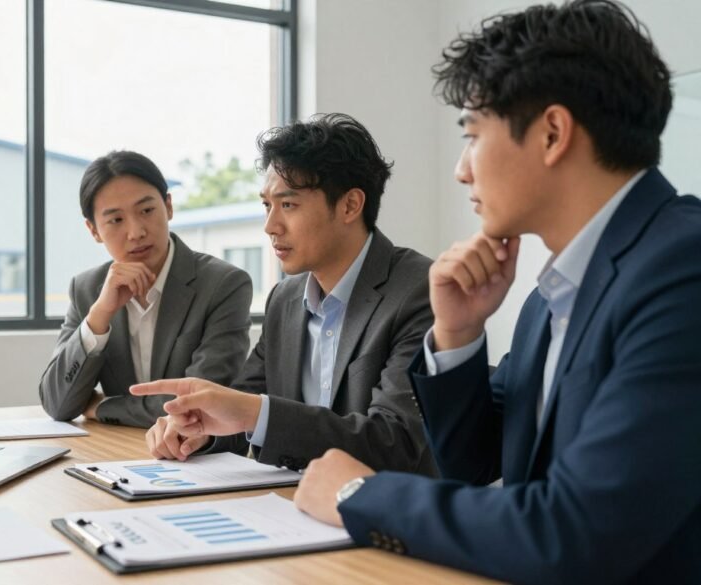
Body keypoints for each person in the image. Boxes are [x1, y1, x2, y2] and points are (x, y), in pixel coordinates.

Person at [290, 2, 701, 583]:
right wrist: (458, 334)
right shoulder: (553, 293)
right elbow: (474, 464)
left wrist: (361, 494)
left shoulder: (683, 271)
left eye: (472, 134)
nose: (461, 169)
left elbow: (578, 533)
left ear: (553, 133)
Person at [133, 114, 437, 476]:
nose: (270, 226)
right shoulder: (285, 299)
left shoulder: (419, 290)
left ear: (350, 205)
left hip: (380, 517)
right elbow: (243, 411)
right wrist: (198, 428)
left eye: (288, 205)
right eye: (267, 205)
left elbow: (396, 442)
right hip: (290, 505)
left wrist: (251, 411)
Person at [39, 150, 253, 428]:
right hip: (119, 454)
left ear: (169, 207)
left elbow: (199, 405)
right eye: (116, 220)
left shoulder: (223, 285)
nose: (136, 231)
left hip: (197, 458)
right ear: (93, 230)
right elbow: (57, 405)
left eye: (147, 210)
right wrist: (100, 314)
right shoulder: (88, 289)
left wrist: (102, 406)